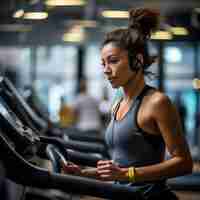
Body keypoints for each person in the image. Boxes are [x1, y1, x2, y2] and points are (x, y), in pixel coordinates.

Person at [62, 8, 193, 200]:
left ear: (137, 61)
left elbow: (184, 163)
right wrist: (82, 174)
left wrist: (127, 174)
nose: (106, 70)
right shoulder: (117, 104)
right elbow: (119, 169)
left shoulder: (157, 102)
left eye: (113, 61)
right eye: (103, 63)